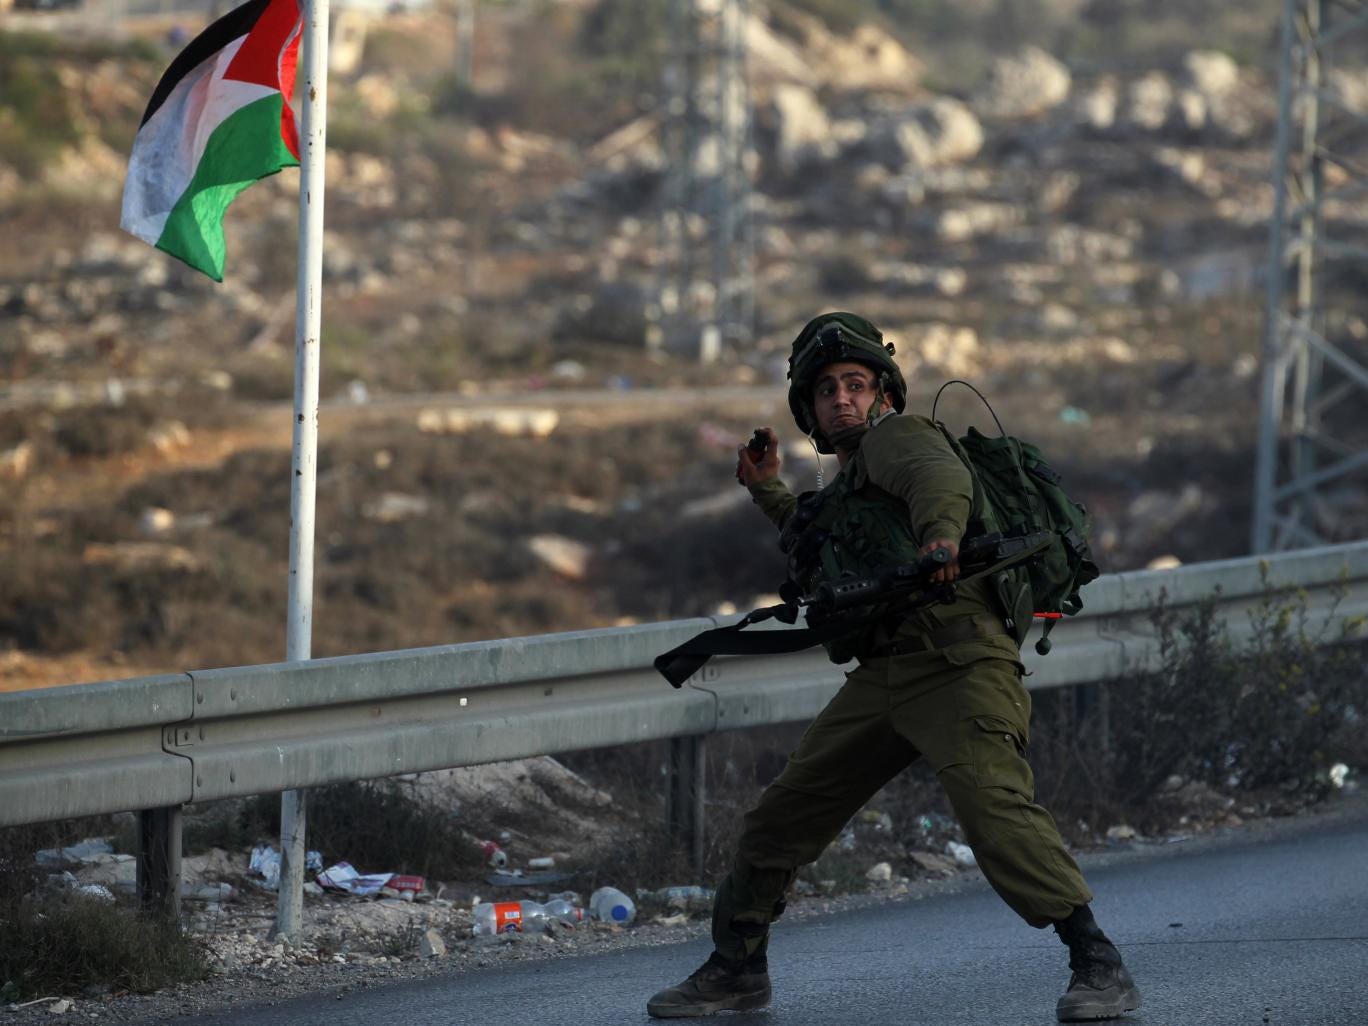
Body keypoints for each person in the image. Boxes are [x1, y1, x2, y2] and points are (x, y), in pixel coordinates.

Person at [646, 312, 1141, 1023]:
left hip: (960, 659)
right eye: (825, 391)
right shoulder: (848, 490)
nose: (841, 399)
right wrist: (765, 488)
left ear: (883, 394)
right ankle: (737, 969)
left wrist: (941, 541)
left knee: (995, 812)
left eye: (855, 384)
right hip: (885, 673)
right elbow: (817, 544)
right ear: (809, 410)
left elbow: (937, 479)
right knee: (780, 819)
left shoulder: (899, 438)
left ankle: (1098, 961)